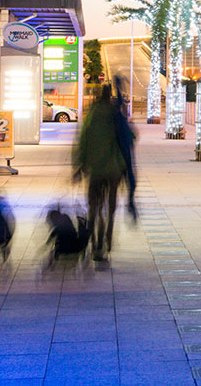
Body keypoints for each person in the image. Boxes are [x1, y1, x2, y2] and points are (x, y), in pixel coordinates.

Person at [72, 85, 126, 264]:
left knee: (94, 207)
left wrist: (79, 166)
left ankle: (95, 241)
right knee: (110, 204)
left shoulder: (92, 115)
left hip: (95, 168)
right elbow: (128, 139)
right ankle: (108, 232)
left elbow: (82, 140)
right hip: (113, 169)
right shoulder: (115, 114)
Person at [113, 76, 138, 222]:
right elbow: (133, 137)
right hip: (123, 156)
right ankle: (130, 202)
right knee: (131, 182)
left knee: (131, 182)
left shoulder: (116, 119)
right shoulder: (120, 120)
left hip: (119, 155)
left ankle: (130, 202)